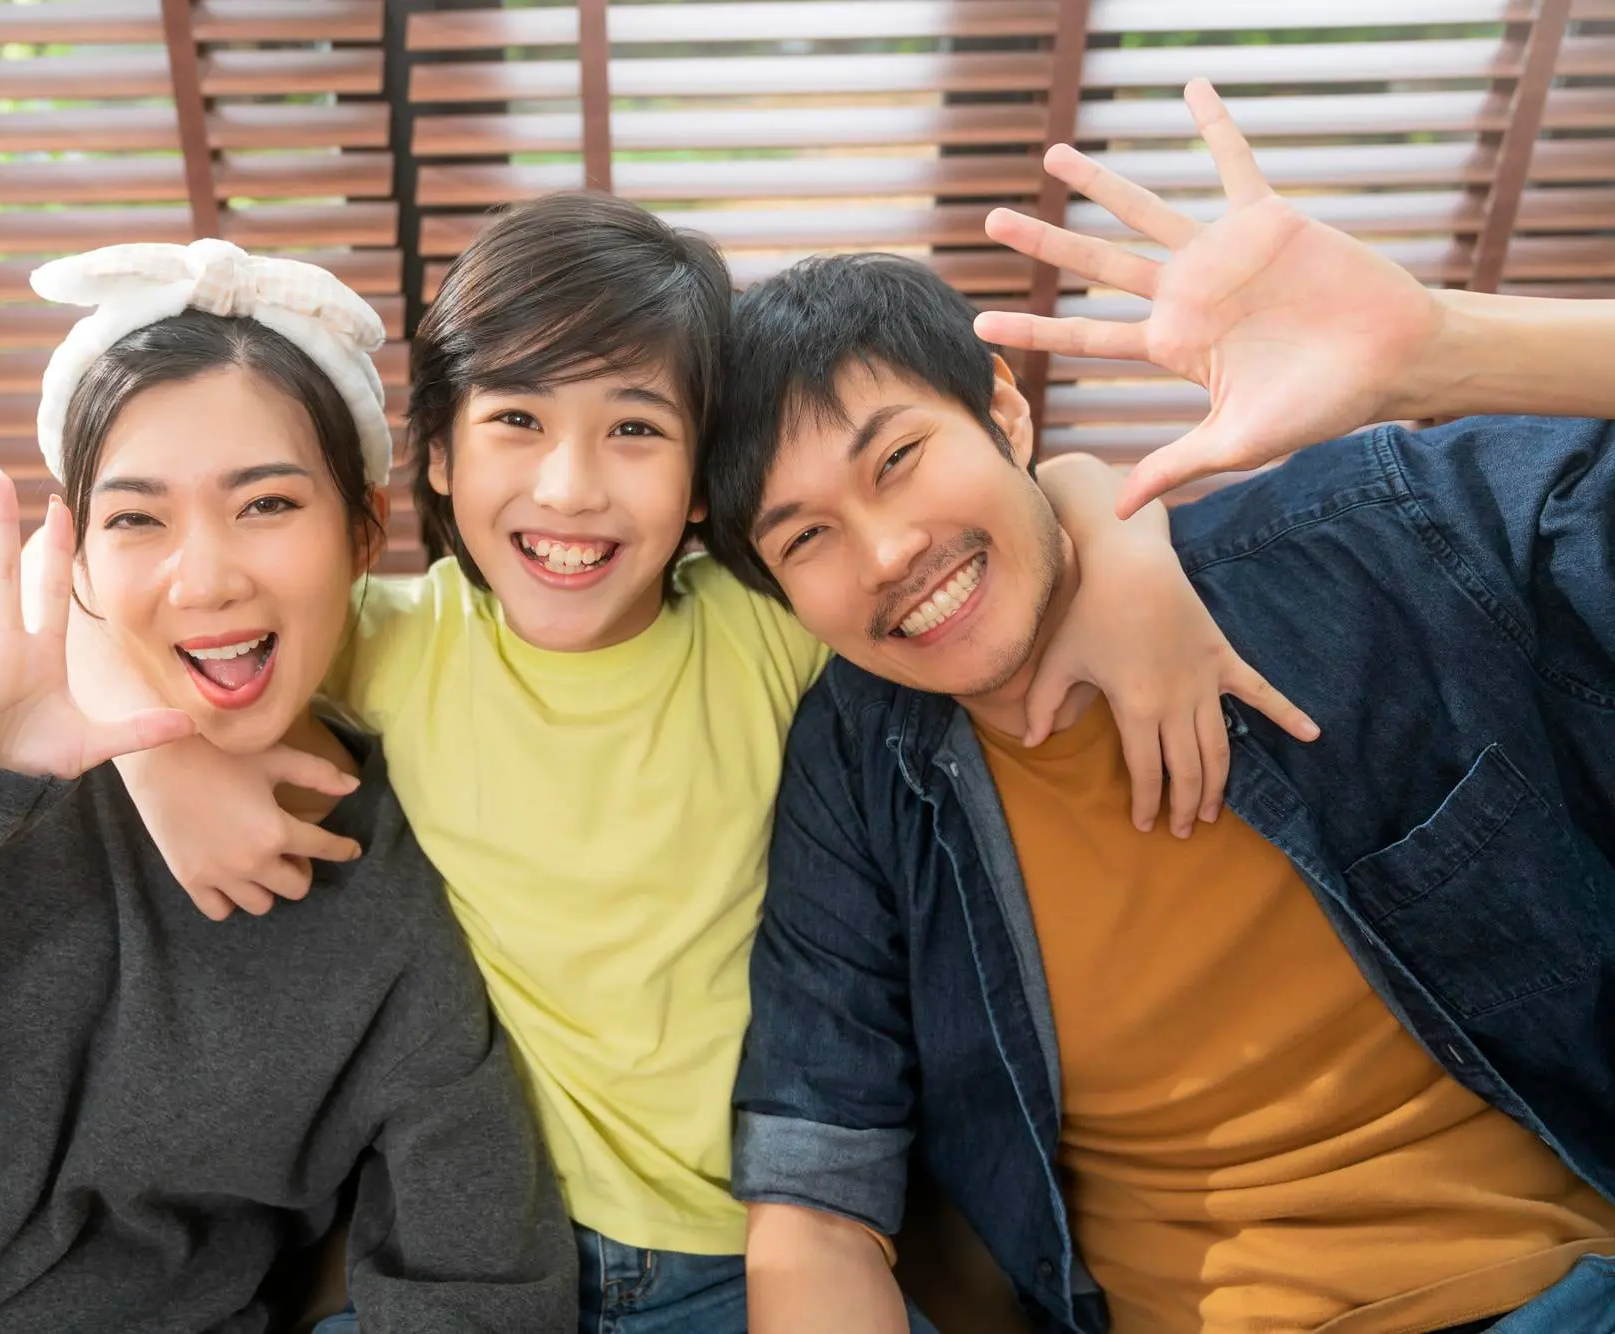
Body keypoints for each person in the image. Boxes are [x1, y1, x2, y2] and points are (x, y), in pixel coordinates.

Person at [70, 193, 1318, 1332]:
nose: (570, 486)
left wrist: (1117, 535)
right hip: (496, 1260)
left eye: (633, 427)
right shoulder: (397, 643)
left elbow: (999, 510)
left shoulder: (765, 627)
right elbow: (78, 596)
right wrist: (160, 762)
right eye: (515, 421)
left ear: (704, 481)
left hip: (762, 1254)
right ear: (440, 456)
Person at [708, 81, 1615, 1334]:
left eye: (898, 459)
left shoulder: (1381, 542)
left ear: (1003, 409)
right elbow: (815, 1192)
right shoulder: (860, 762)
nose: (885, 551)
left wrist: (1439, 347)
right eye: (804, 536)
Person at [0, 246, 575, 1333]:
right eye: (137, 517)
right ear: (78, 551)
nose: (206, 578)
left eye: (267, 503)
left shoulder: (392, 898)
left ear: (363, 528)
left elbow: (481, 1287)